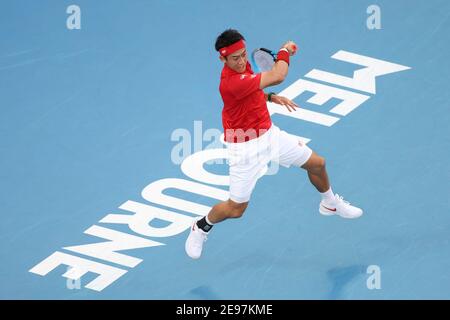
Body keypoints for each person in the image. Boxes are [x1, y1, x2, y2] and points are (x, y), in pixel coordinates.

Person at [185, 29, 363, 259]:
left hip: (270, 135)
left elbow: (253, 88)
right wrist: (284, 51)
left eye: (243, 54)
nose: (241, 61)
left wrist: (270, 97)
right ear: (222, 59)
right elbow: (278, 75)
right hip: (244, 149)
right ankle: (200, 226)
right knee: (236, 209)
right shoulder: (229, 83)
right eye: (235, 58)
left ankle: (329, 203)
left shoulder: (243, 69)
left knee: (317, 163)